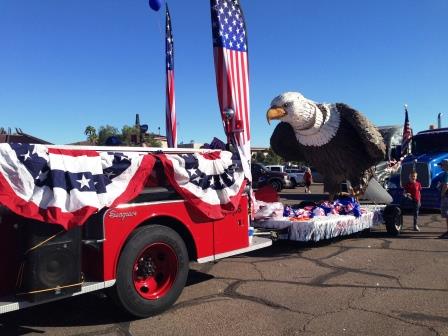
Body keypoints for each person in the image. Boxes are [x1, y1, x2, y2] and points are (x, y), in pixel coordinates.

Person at [438, 159, 448, 234]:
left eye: (442, 165)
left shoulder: (446, 174)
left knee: (447, 213)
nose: (441, 166)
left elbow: (446, 185)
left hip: (446, 196)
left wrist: (442, 194)